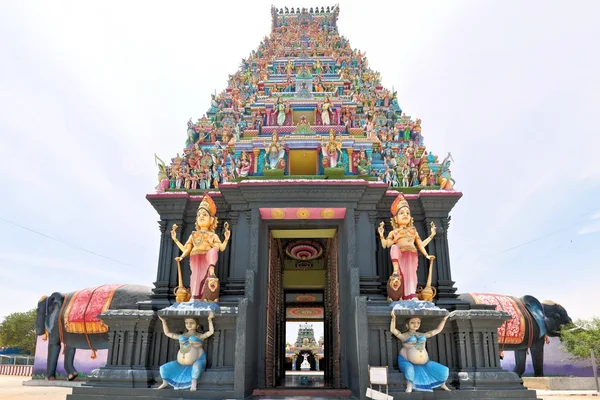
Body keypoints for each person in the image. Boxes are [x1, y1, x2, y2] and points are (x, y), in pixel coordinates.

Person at [171, 194, 231, 301]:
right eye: (199, 215)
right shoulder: (193, 234)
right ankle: (194, 298)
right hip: (194, 258)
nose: (201, 217)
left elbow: (220, 248)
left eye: (204, 214)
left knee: (206, 277)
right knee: (195, 278)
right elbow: (186, 249)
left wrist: (226, 239)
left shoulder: (212, 235)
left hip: (207, 259)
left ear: (212, 220)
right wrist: (176, 242)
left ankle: (205, 296)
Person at [377, 193, 435, 300]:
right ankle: (398, 288)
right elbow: (386, 245)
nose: (405, 215)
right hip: (400, 255)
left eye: (407, 213)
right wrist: (381, 235)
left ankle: (411, 295)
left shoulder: (413, 231)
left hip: (412, 255)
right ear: (395, 219)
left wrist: (430, 239)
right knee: (395, 252)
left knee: (411, 275)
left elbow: (420, 245)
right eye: (402, 213)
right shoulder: (394, 232)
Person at [390, 311, 451, 392]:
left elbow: (437, 330)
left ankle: (442, 384)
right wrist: (393, 318)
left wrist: (444, 320)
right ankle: (409, 385)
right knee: (409, 369)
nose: (416, 324)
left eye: (418, 322)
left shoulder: (422, 335)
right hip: (407, 361)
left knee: (444, 370)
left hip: (425, 363)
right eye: (412, 322)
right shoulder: (405, 336)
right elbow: (393, 330)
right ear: (407, 325)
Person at [157, 312, 215, 391]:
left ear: (197, 325)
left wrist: (209, 320)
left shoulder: (200, 336)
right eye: (186, 323)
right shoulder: (183, 336)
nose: (189, 325)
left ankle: (194, 384)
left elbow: (211, 332)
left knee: (196, 367)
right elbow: (168, 333)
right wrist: (164, 322)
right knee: (163, 368)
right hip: (180, 363)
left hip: (197, 360)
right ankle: (165, 382)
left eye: (192, 323)